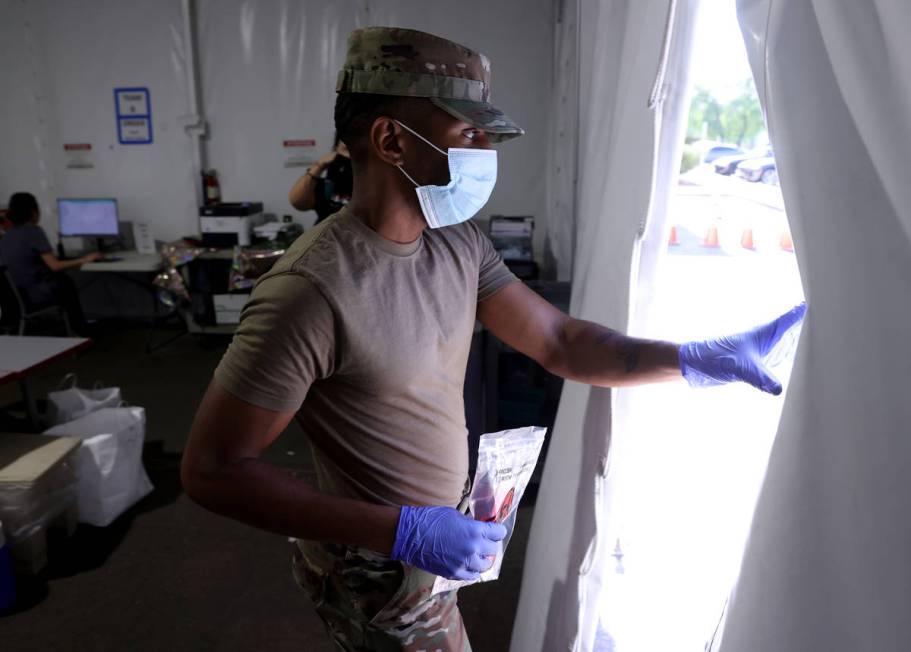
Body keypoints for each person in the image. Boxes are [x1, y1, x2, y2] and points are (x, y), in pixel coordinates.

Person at [181, 27, 806, 651]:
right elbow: (213, 471)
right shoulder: (310, 292)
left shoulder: (457, 242)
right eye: (468, 134)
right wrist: (402, 532)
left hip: (436, 543)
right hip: (376, 567)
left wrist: (697, 360)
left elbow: (559, 342)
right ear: (392, 139)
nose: (485, 154)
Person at [0, 192, 99, 335]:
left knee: (61, 280)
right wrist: (85, 259)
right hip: (35, 295)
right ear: (34, 211)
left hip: (15, 298)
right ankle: (80, 329)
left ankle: (77, 327)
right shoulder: (34, 231)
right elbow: (55, 266)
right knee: (65, 282)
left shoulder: (7, 235)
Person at [288, 133, 352, 225]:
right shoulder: (330, 182)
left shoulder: (373, 184)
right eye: (347, 150)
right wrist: (319, 165)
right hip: (326, 234)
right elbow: (298, 202)